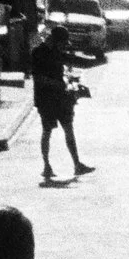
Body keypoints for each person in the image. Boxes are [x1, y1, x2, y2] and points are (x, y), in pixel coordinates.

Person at [30, 24, 92, 183]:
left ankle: (77, 164)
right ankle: (46, 165)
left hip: (60, 98)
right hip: (45, 99)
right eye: (62, 43)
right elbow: (38, 78)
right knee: (47, 131)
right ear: (55, 40)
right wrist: (56, 84)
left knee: (69, 129)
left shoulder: (58, 52)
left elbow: (71, 62)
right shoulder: (38, 53)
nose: (63, 46)